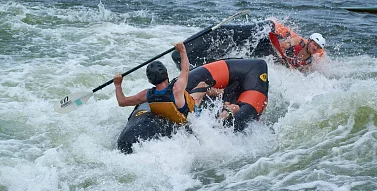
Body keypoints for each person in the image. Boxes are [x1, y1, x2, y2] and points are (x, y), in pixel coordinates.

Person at [171, 20, 326, 72]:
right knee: (236, 39)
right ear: (310, 41)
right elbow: (283, 45)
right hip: (269, 39)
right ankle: (188, 54)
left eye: (317, 48)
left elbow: (296, 70)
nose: (315, 48)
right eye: (314, 44)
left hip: (270, 54)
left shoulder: (309, 62)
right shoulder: (299, 41)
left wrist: (288, 66)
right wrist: (284, 57)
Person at [113, 42, 198, 124]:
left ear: (150, 81)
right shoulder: (177, 89)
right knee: (201, 87)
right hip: (189, 122)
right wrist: (182, 50)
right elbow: (185, 70)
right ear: (167, 73)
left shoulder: (147, 94)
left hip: (172, 124)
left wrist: (117, 85)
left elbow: (122, 102)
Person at [186, 58, 269, 131]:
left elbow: (234, 108)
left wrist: (223, 114)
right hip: (230, 94)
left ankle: (222, 97)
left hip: (252, 74)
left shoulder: (194, 103)